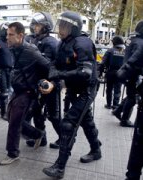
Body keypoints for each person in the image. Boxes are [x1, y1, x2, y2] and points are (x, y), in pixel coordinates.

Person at [43, 11, 102, 179]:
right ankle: (96, 150)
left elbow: (85, 72)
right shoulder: (62, 43)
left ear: (73, 28)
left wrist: (60, 75)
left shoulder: (82, 43)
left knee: (69, 123)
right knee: (86, 121)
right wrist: (54, 73)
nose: (60, 28)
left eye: (64, 25)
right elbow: (55, 64)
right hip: (73, 89)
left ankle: (59, 168)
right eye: (60, 24)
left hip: (86, 90)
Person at [0, 22, 53, 165]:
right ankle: (37, 134)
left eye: (11, 35)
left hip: (27, 92)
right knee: (10, 118)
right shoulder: (15, 48)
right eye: (7, 35)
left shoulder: (30, 51)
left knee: (14, 124)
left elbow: (48, 67)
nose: (7, 38)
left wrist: (47, 83)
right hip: (17, 91)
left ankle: (12, 153)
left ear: (20, 36)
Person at [23, 12, 61, 149]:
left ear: (45, 26)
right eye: (34, 25)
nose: (35, 27)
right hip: (37, 83)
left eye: (38, 25)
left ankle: (64, 139)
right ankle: (41, 138)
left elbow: (54, 65)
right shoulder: (33, 40)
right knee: (36, 112)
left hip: (49, 84)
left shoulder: (52, 43)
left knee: (53, 115)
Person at [116, 19, 143, 180]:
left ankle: (119, 112)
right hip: (135, 80)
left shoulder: (135, 41)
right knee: (131, 98)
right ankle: (121, 114)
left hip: (133, 79)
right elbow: (133, 60)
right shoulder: (139, 43)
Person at [99, 35, 125, 109]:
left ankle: (109, 104)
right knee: (118, 89)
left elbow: (102, 63)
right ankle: (115, 105)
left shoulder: (110, 51)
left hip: (110, 72)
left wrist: (100, 73)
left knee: (109, 89)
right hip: (121, 73)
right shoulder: (125, 51)